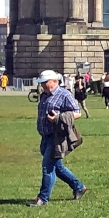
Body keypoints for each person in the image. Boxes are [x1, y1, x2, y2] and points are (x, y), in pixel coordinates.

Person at [30, 70, 86, 206]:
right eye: (41, 83)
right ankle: (78, 187)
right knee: (57, 167)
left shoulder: (64, 95)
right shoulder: (44, 95)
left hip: (57, 137)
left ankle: (43, 198)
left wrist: (58, 118)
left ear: (54, 81)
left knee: (47, 167)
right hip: (45, 136)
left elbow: (77, 113)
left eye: (44, 82)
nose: (42, 85)